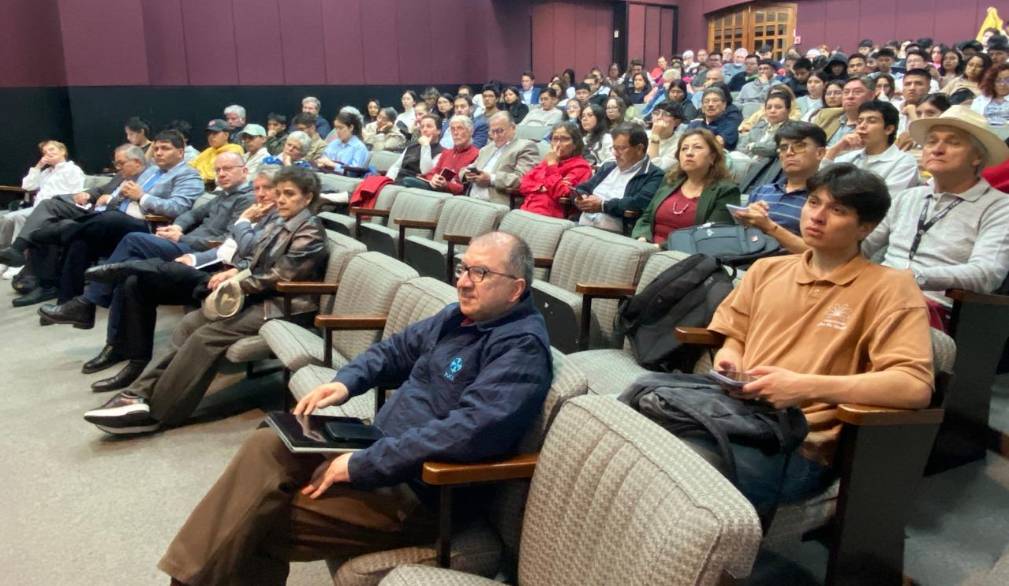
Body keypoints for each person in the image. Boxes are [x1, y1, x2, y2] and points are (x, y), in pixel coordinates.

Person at [154, 231, 549, 584]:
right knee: (269, 442)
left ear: (515, 289)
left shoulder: (521, 349)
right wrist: (346, 382)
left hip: (420, 493)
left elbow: (467, 433)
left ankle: (183, 580)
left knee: (255, 524)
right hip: (378, 448)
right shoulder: (457, 317)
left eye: (480, 274)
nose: (462, 282)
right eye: (463, 269)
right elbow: (394, 351)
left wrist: (362, 464)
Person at [664, 163, 933, 515]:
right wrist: (732, 357)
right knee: (637, 430)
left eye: (837, 210)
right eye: (814, 202)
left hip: (798, 444)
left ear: (865, 227)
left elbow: (913, 386)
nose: (817, 217)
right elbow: (735, 333)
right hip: (733, 414)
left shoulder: (891, 287)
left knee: (675, 468)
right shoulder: (768, 269)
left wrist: (803, 387)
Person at [83, 166, 329, 435]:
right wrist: (237, 272)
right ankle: (137, 393)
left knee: (205, 337)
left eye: (289, 194)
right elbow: (255, 258)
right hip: (262, 295)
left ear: (308, 197)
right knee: (191, 323)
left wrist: (238, 284)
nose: (280, 199)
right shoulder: (281, 222)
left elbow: (281, 276)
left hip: (287, 304)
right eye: (279, 193)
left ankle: (160, 412)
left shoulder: (310, 231)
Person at [39, 154, 255, 387]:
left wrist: (183, 239)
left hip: (201, 254)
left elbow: (227, 241)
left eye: (227, 169)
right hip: (185, 242)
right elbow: (192, 214)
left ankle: (88, 303)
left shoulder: (247, 199)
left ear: (244, 171)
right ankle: (116, 346)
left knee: (133, 240)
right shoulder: (223, 195)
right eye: (218, 169)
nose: (221, 174)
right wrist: (177, 226)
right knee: (127, 276)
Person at [11, 131, 203, 307]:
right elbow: (123, 196)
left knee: (108, 218)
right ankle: (67, 302)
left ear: (180, 152)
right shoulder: (151, 172)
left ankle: (62, 231)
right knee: (81, 241)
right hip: (118, 219)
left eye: (165, 148)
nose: (159, 153)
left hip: (148, 225)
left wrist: (142, 197)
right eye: (157, 148)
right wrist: (115, 198)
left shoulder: (189, 175)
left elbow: (178, 207)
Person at [862, 105, 1009, 323]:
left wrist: (914, 278)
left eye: (953, 142)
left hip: (931, 310)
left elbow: (986, 273)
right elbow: (864, 244)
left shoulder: (1000, 207)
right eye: (931, 142)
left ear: (977, 156)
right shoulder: (908, 197)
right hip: (877, 294)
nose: (937, 150)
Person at [632, 128, 738, 246]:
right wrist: (642, 238)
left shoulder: (726, 191)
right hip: (647, 246)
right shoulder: (670, 180)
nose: (689, 153)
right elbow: (646, 218)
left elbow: (711, 236)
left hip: (687, 253)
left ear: (712, 157)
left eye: (697, 147)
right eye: (684, 148)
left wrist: (661, 246)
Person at [733, 121, 826, 253]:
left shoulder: (827, 200)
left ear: (820, 153)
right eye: (783, 148)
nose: (789, 153)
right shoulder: (762, 191)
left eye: (799, 146)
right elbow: (743, 237)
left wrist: (769, 227)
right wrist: (747, 220)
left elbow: (820, 254)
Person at [572, 124, 665, 233]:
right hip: (582, 225)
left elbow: (638, 203)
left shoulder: (654, 174)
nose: (615, 154)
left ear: (639, 148)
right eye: (614, 148)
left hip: (614, 233)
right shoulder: (608, 166)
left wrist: (603, 206)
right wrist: (581, 197)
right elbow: (584, 187)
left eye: (621, 148)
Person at [0, 141, 85, 255]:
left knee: (19, 217)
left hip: (55, 209)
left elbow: (76, 193)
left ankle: (17, 256)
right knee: (7, 219)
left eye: (51, 149)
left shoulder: (73, 169)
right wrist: (38, 166)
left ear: (63, 151)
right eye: (44, 152)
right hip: (37, 207)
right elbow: (27, 186)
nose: (48, 153)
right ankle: (4, 253)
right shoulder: (46, 172)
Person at [821, 100, 919, 193]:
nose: (862, 126)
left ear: (888, 129)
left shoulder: (903, 162)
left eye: (871, 121)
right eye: (860, 121)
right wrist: (836, 149)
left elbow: (889, 199)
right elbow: (821, 183)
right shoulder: (851, 156)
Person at [460, 112, 539, 206]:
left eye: (500, 131)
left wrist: (491, 179)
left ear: (513, 128)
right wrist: (467, 175)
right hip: (470, 200)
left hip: (495, 202)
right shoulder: (487, 148)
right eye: (492, 132)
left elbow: (523, 180)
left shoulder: (525, 147)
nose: (495, 136)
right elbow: (467, 169)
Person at [518, 121, 593, 218]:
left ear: (575, 144)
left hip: (551, 216)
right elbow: (524, 184)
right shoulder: (546, 162)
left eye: (564, 139)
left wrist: (552, 166)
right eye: (555, 139)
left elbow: (562, 193)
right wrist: (540, 187)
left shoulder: (581, 166)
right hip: (526, 210)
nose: (558, 144)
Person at [412, 116, 479, 195]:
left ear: (471, 131)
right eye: (453, 129)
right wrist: (433, 179)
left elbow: (466, 188)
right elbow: (430, 173)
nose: (455, 133)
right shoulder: (446, 153)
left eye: (460, 128)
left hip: (454, 196)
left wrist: (446, 185)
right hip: (436, 190)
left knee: (409, 182)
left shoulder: (476, 155)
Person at [812, 76, 875, 147]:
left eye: (857, 92)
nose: (850, 96)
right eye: (846, 92)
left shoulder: (876, 124)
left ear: (871, 96)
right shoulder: (827, 115)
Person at [386, 114, 443, 184]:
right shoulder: (411, 147)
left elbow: (426, 172)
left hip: (415, 183)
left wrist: (425, 146)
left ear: (438, 131)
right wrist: (388, 181)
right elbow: (396, 167)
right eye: (422, 127)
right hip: (398, 180)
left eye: (429, 126)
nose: (424, 130)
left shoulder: (441, 152)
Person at [738, 91, 793, 159]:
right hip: (744, 160)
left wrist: (753, 146)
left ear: (788, 110)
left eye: (778, 107)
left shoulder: (791, 129)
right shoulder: (760, 125)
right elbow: (741, 146)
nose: (772, 111)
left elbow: (774, 149)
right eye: (769, 107)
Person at [688, 86, 743, 150]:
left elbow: (717, 144)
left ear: (724, 105)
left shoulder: (730, 125)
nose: (710, 104)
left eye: (715, 101)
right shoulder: (694, 125)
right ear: (702, 107)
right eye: (706, 101)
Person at [647, 101, 686, 171]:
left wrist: (655, 136)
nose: (659, 117)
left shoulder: (681, 143)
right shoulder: (643, 135)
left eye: (666, 114)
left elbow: (655, 170)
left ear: (677, 122)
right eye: (656, 113)